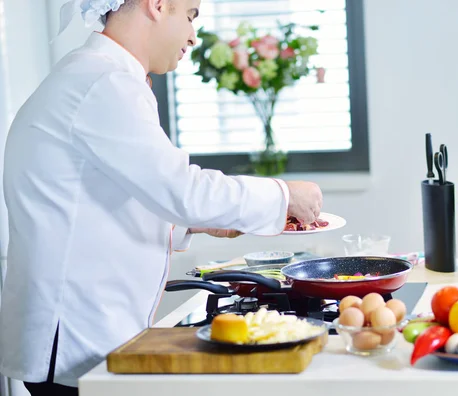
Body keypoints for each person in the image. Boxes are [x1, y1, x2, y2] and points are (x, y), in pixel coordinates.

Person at [0, 0, 323, 394]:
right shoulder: (104, 81)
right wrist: (283, 195)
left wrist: (197, 222)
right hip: (71, 331)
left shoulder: (96, 74)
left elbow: (98, 199)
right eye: (190, 14)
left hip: (74, 328)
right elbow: (181, 189)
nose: (192, 34)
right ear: (157, 5)